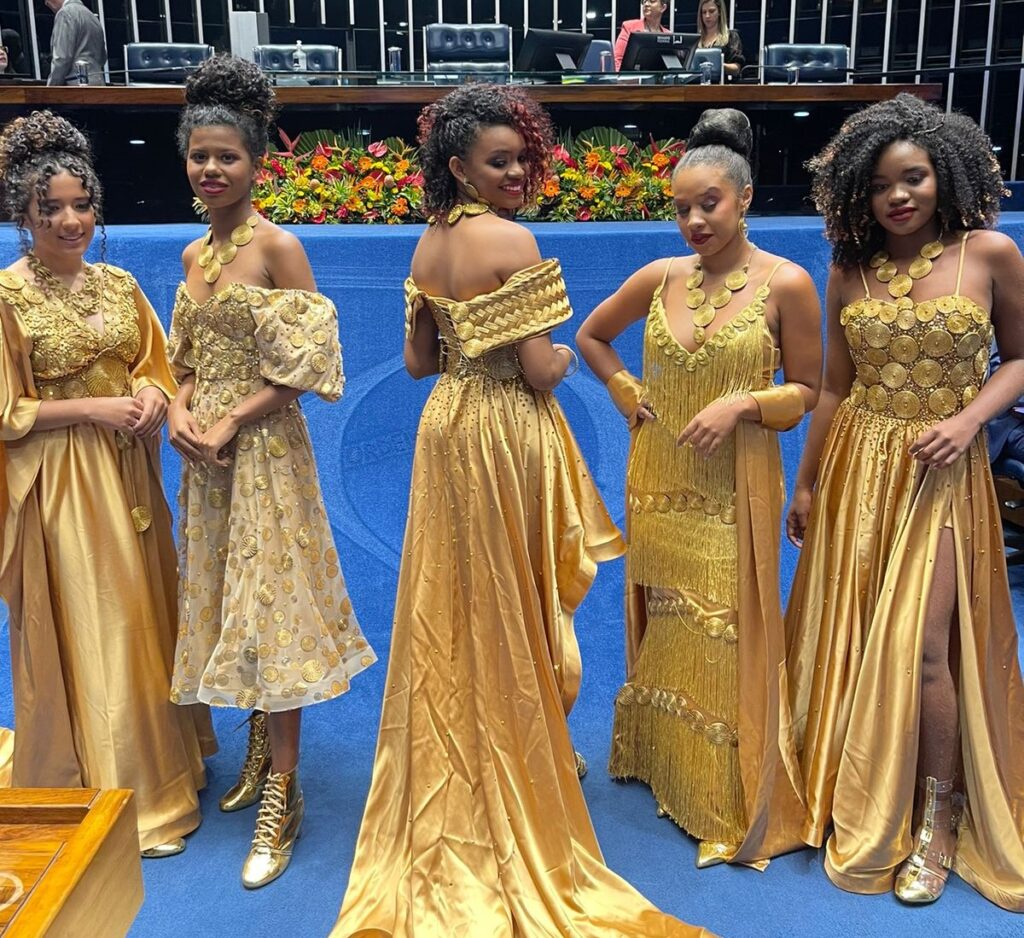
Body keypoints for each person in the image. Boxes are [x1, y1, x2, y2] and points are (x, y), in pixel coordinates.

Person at [332, 82, 712, 937]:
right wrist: (564, 364)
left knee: (457, 593)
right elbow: (542, 370)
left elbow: (420, 363)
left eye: (519, 160)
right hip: (506, 429)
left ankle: (474, 734)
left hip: (445, 429)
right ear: (459, 165)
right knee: (516, 587)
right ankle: (525, 738)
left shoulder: (429, 241)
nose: (514, 174)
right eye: (498, 162)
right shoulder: (513, 240)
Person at [785, 92, 1024, 909]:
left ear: (943, 175)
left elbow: (1019, 360)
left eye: (913, 178)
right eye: (882, 183)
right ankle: (856, 785)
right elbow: (831, 388)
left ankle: (938, 820)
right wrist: (806, 482)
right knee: (856, 631)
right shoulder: (847, 269)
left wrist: (969, 421)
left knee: (925, 648)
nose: (898, 196)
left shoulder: (991, 253)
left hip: (943, 474)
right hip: (859, 468)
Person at [577, 108, 818, 869]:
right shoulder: (661, 276)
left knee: (724, 629)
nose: (693, 222)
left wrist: (745, 403)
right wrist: (625, 391)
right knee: (668, 616)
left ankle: (721, 796)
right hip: (658, 478)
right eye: (681, 208)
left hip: (732, 490)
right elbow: (591, 335)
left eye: (708, 203)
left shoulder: (788, 283)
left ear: (744, 197)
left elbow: (808, 391)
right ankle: (661, 760)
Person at [167, 54, 376, 889]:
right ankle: (257, 744)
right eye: (200, 156)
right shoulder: (193, 254)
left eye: (228, 157)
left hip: (263, 455)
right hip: (206, 462)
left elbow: (310, 366)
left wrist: (229, 419)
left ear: (258, 164)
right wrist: (181, 410)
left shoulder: (279, 248)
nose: (212, 170)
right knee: (228, 597)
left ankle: (283, 794)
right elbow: (184, 361)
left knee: (274, 608)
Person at [0, 109, 215, 856]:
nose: (70, 221)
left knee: (145, 610)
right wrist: (93, 408)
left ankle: (166, 761)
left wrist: (153, 394)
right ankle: (128, 794)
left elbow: (159, 364)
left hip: (131, 472)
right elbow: (6, 411)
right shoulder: (6, 297)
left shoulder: (119, 283)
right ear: (23, 215)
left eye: (81, 205)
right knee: (101, 621)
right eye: (50, 209)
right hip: (62, 482)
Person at [45, 0, 106, 86]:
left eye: (47, 1)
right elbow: (103, 57)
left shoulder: (65, 13)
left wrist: (51, 88)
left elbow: (62, 59)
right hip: (99, 84)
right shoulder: (92, 16)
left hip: (75, 86)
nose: (47, 4)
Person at [614, 0, 669, 71]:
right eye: (644, 1)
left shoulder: (668, 35)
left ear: (663, 8)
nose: (646, 4)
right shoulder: (629, 27)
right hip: (632, 76)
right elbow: (617, 61)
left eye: (652, 1)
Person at [696, 0, 745, 79]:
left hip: (722, 84)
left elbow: (737, 68)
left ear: (719, 12)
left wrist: (718, 65)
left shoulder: (731, 37)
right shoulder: (696, 40)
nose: (707, 16)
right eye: (704, 12)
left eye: (711, 11)